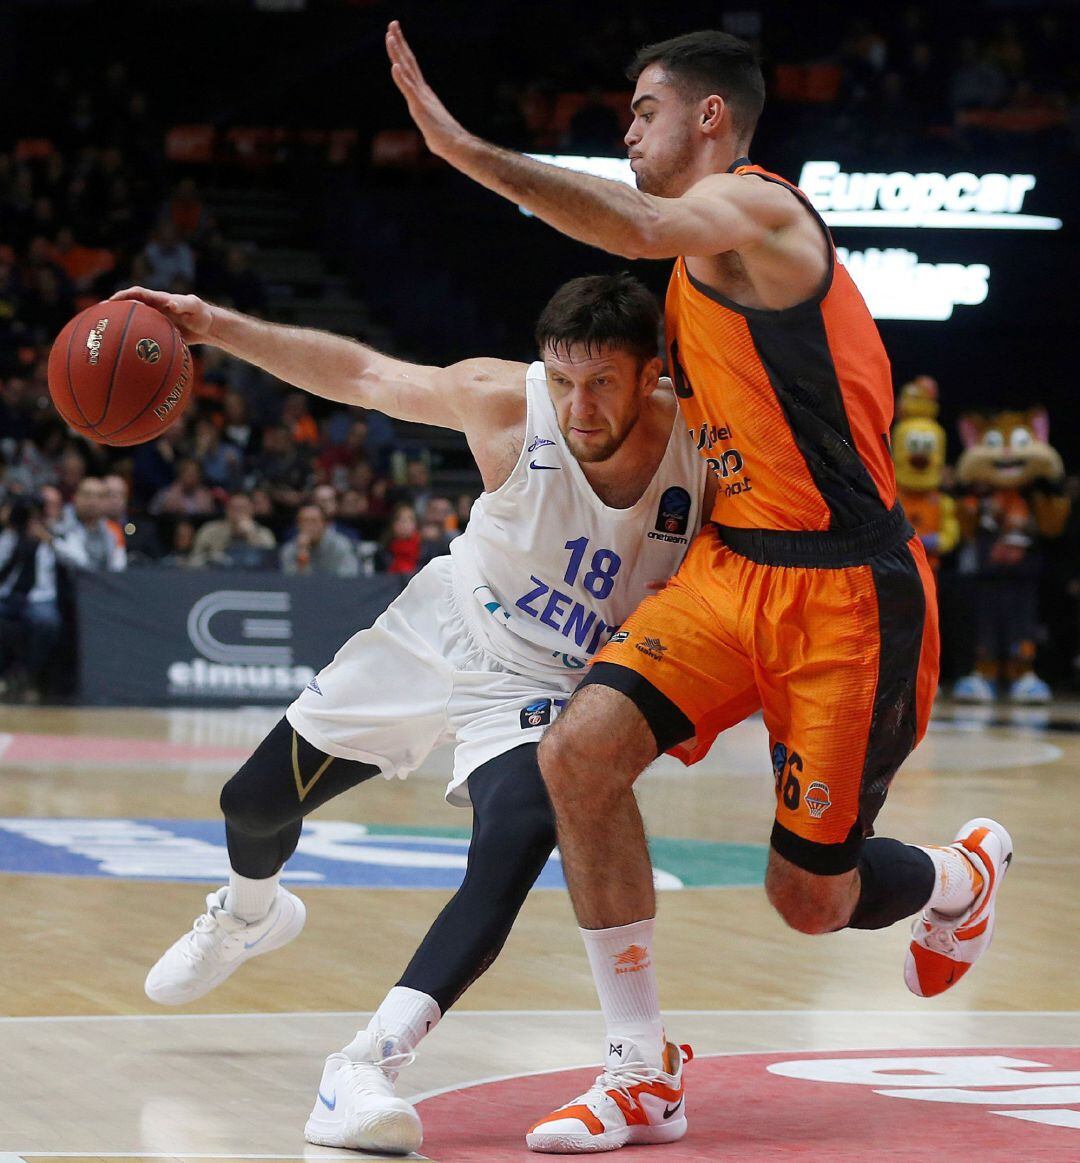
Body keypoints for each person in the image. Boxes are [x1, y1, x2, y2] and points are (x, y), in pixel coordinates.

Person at [386, 22, 1013, 1154]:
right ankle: (640, 1070)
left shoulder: (758, 213)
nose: (627, 126)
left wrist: (467, 151)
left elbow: (633, 220)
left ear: (710, 116)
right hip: (733, 571)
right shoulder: (686, 272)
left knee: (808, 899)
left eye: (643, 106)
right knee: (577, 752)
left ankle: (956, 876)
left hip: (845, 594)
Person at [113, 272, 709, 1156]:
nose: (578, 404)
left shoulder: (702, 453)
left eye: (603, 383)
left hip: (548, 688)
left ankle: (363, 1065)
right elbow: (360, 374)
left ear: (650, 374)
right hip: (445, 629)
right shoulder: (507, 403)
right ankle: (249, 910)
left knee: (516, 839)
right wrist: (214, 327)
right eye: (564, 379)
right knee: (253, 804)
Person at [188, 492, 276, 570]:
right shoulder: (210, 530)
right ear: (227, 510)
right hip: (216, 577)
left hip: (253, 578)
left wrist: (250, 535)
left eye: (243, 508)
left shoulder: (263, 533)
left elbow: (270, 562)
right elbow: (194, 559)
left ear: (251, 510)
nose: (238, 513)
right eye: (234, 508)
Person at [280, 503, 359, 577]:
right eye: (304, 521)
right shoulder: (290, 549)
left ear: (325, 524)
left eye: (314, 521)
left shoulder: (340, 544)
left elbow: (349, 576)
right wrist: (302, 553)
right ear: (298, 525)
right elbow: (291, 583)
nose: (309, 526)